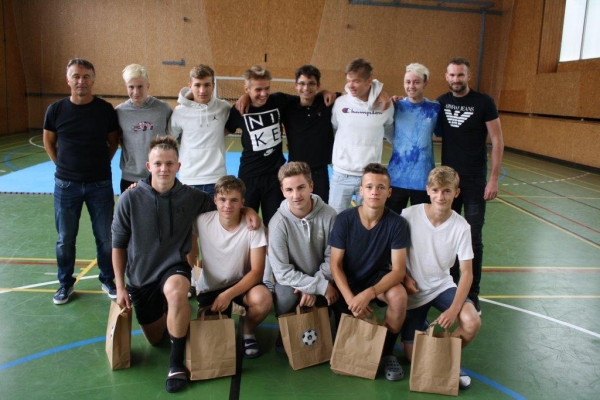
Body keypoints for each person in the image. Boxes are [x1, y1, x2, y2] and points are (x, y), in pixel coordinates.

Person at [112, 136, 259, 393]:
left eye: (170, 164)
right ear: (148, 166)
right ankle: (172, 317)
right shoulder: (129, 199)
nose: (164, 169)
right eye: (158, 164)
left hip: (174, 268)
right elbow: (117, 245)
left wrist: (249, 210)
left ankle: (176, 363)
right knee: (156, 339)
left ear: (178, 166)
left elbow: (225, 203)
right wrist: (120, 287)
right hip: (141, 276)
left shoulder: (191, 197)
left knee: (178, 291)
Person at [43, 58, 119, 305]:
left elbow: (113, 142)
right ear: (68, 79)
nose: (81, 81)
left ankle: (108, 279)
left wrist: (99, 165)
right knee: (65, 238)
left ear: (93, 80)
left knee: (106, 237)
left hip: (100, 185)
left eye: (86, 76)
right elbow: (49, 142)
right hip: (66, 186)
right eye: (76, 76)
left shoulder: (105, 110)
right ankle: (65, 283)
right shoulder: (56, 110)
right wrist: (62, 166)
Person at [400, 166, 481, 390]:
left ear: (456, 193)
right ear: (428, 190)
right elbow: (394, 255)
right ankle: (431, 346)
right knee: (412, 357)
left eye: (447, 191)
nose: (440, 196)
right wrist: (405, 277)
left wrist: (454, 309)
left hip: (441, 287)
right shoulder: (409, 215)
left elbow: (467, 273)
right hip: (414, 292)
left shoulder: (462, 227)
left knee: (472, 321)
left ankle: (445, 359)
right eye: (435, 190)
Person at [329, 163, 409, 381]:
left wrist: (369, 293)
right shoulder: (344, 219)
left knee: (399, 297)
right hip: (348, 282)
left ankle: (387, 352)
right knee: (345, 341)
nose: (375, 192)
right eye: (370, 187)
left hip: (377, 281)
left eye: (381, 187)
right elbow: (335, 265)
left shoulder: (397, 223)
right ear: (361, 190)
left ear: (389, 192)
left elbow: (398, 271)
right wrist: (351, 300)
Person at [437, 57, 505, 313]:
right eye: (452, 75)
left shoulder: (484, 102)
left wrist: (493, 178)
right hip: (449, 181)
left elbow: (497, 140)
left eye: (460, 75)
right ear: (446, 77)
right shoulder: (441, 102)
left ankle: (472, 293)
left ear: (468, 76)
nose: (456, 79)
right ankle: (451, 286)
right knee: (448, 234)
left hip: (475, 181)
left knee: (473, 237)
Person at [190, 175, 272, 359]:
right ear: (215, 200)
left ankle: (247, 329)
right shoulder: (202, 221)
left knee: (263, 299)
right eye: (222, 199)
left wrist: (227, 295)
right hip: (211, 287)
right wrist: (194, 278)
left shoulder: (253, 226)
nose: (227, 205)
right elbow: (191, 251)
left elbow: (257, 272)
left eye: (234, 200)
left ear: (242, 202)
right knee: (213, 346)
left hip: (242, 283)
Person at [268, 162, 338, 351]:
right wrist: (317, 286)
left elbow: (333, 259)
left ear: (311, 186)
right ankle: (285, 331)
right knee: (284, 296)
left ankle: (325, 321)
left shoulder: (330, 215)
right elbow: (281, 272)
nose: (296, 195)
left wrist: (317, 285)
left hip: (324, 277)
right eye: (289, 190)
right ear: (282, 191)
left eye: (301, 187)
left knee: (340, 290)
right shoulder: (277, 224)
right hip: (293, 283)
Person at [329, 58, 394, 214]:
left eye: (356, 81)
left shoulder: (385, 105)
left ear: (369, 81)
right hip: (341, 175)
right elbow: (334, 129)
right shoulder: (340, 103)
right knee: (335, 220)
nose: (350, 85)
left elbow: (391, 132)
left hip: (370, 176)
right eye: (348, 80)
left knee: (367, 219)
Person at [169, 64, 231, 197]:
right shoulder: (180, 112)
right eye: (197, 85)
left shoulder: (223, 108)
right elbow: (170, 139)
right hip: (188, 179)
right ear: (190, 86)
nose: (202, 90)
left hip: (217, 178)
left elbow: (232, 124)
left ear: (213, 85)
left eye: (207, 85)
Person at [386, 63, 440, 212]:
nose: (411, 86)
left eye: (416, 82)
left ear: (425, 83)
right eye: (408, 82)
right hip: (396, 177)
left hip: (423, 179)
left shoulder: (435, 108)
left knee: (421, 221)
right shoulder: (395, 106)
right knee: (392, 220)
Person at [281, 65, 335, 203]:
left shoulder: (327, 104)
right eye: (302, 83)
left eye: (311, 83)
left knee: (321, 208)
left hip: (319, 170)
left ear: (318, 85)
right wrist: (245, 96)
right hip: (295, 170)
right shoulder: (287, 106)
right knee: (295, 208)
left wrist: (326, 92)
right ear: (295, 85)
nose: (306, 88)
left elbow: (354, 95)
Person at [116, 64, 172, 193]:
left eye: (140, 86)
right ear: (126, 87)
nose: (136, 92)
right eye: (131, 87)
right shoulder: (119, 112)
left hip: (159, 175)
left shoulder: (163, 109)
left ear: (148, 86)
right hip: (130, 177)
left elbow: (174, 138)